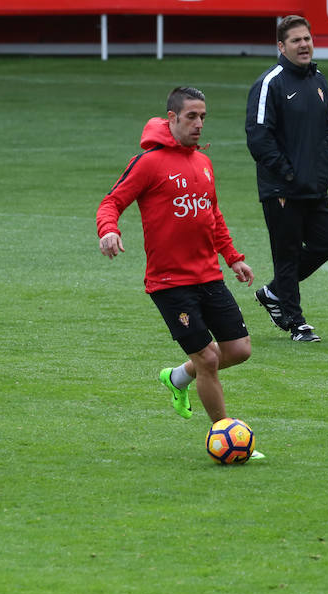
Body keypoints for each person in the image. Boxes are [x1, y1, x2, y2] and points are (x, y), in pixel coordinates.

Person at [96, 87, 262, 456]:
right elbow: (112, 201)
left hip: (209, 275)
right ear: (171, 118)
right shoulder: (148, 163)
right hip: (170, 283)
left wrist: (233, 257)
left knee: (239, 350)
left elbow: (212, 214)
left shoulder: (203, 162)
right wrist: (109, 229)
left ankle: (177, 377)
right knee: (208, 358)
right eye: (192, 116)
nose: (199, 124)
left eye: (203, 117)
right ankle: (224, 438)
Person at [245, 14, 328, 342]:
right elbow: (258, 137)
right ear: (281, 46)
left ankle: (273, 293)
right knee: (286, 254)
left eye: (307, 39)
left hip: (314, 185)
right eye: (296, 40)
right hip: (281, 188)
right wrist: (286, 173)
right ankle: (296, 324)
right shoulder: (270, 83)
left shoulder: (319, 80)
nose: (304, 45)